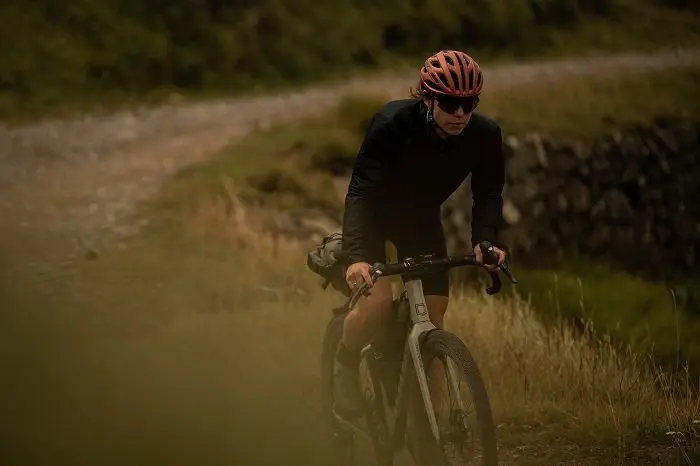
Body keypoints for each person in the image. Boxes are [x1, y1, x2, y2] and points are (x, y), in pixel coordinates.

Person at [333, 49, 507, 418]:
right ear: (428, 98)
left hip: (420, 221)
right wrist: (356, 257)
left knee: (433, 320)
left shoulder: (485, 135)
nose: (460, 113)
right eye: (450, 103)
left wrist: (486, 241)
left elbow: (489, 192)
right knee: (378, 305)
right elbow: (360, 191)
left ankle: (433, 426)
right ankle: (345, 366)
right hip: (376, 218)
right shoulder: (391, 123)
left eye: (469, 104)